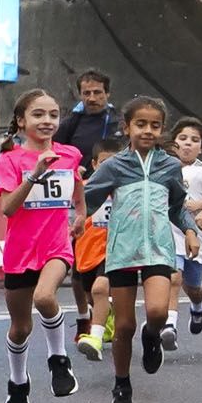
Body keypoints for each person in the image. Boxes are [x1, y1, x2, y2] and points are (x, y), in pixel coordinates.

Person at [78, 98, 198, 403]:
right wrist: (73, 222)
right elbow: (87, 200)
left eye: (154, 125)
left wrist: (189, 230)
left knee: (157, 311)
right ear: (127, 127)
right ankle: (122, 384)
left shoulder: (169, 166)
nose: (147, 130)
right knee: (125, 325)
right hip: (121, 252)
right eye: (140, 124)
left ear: (162, 130)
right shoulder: (114, 167)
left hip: (158, 249)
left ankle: (152, 335)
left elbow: (177, 206)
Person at [0, 89, 85, 403]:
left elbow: (77, 186)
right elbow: (7, 208)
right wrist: (34, 175)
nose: (47, 121)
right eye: (38, 115)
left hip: (56, 246)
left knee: (46, 296)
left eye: (54, 115)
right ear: (21, 121)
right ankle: (18, 384)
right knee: (20, 328)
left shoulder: (70, 154)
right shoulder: (10, 160)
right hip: (20, 252)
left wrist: (80, 214)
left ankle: (58, 360)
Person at [70, 138, 121, 362]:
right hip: (86, 249)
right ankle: (105, 317)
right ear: (94, 164)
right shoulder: (84, 187)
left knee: (101, 289)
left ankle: (95, 336)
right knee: (92, 294)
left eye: (115, 163)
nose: (109, 168)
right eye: (104, 163)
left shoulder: (125, 189)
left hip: (114, 249)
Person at [168, 119, 202, 339]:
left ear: (201, 147)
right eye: (183, 138)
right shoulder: (163, 167)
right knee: (173, 278)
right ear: (174, 142)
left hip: (198, 237)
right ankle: (169, 325)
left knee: (193, 287)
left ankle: (198, 308)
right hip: (169, 234)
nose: (187, 144)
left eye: (194, 140)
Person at [53, 70, 118, 151]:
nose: (92, 99)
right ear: (80, 95)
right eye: (86, 93)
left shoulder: (119, 122)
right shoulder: (70, 123)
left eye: (97, 92)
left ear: (107, 93)